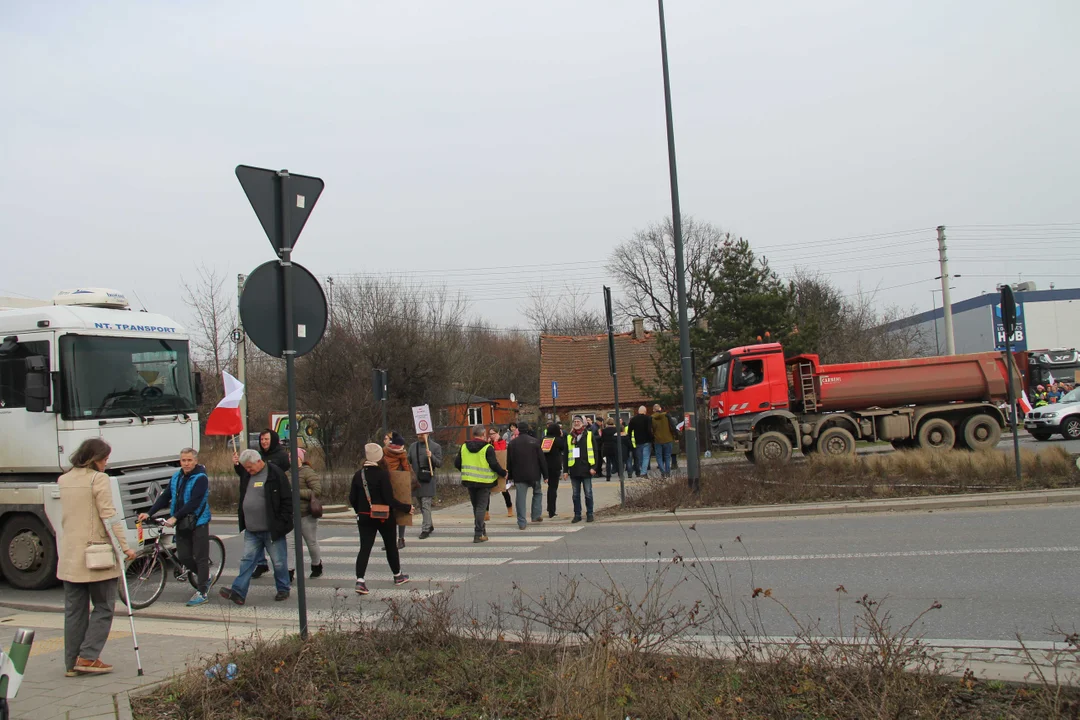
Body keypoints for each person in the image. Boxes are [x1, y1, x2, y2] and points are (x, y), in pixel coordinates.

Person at [58, 438, 136, 677]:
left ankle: (72, 662)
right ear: (95, 459)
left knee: (74, 611)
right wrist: (124, 548)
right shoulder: (98, 479)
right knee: (103, 606)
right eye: (104, 459)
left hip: (71, 555)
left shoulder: (64, 479)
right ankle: (89, 656)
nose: (106, 463)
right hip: (97, 555)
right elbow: (109, 517)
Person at [220, 449, 294, 605]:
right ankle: (238, 592)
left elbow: (287, 501)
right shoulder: (247, 475)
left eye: (249, 467)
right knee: (247, 561)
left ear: (259, 461)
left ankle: (283, 588)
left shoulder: (276, 474)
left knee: (279, 562)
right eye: (245, 468)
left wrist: (281, 523)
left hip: (272, 529)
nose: (247, 470)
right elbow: (243, 481)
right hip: (252, 530)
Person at [139, 448, 211, 606]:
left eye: (189, 460)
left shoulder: (201, 478)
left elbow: (194, 502)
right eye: (183, 460)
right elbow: (165, 497)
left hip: (198, 521)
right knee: (184, 556)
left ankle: (203, 591)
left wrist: (174, 517)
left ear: (195, 461)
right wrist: (149, 513)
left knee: (200, 557)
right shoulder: (177, 476)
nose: (186, 463)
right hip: (181, 522)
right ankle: (205, 576)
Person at [350, 443, 412, 594]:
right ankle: (397, 576)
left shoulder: (358, 475)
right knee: (390, 546)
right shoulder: (383, 475)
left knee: (365, 548)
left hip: (364, 517)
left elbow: (352, 498)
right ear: (380, 457)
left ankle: (360, 581)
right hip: (384, 517)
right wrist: (407, 507)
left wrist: (361, 511)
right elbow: (389, 500)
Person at [456, 425, 508, 543]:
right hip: (484, 482)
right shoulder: (487, 448)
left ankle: (482, 530)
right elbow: (493, 464)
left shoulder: (464, 446)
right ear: (484, 434)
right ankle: (478, 533)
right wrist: (503, 473)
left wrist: (465, 471)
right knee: (481, 507)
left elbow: (457, 463)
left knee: (476, 506)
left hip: (469, 481)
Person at [252, 429, 292, 581]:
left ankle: (284, 573)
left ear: (273, 440)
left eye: (266, 439)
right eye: (262, 439)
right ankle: (261, 563)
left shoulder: (281, 456)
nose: (264, 442)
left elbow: (285, 475)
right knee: (256, 533)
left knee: (275, 539)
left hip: (275, 498)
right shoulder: (258, 456)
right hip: (259, 498)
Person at [506, 421, 546, 529]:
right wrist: (545, 475)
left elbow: (509, 461)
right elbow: (541, 459)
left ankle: (522, 522)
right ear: (527, 430)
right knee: (537, 493)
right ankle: (536, 515)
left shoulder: (512, 443)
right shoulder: (535, 442)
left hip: (519, 475)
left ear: (518, 429)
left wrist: (509, 476)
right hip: (534, 474)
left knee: (520, 498)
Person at [563, 416, 600, 523]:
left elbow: (595, 451)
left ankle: (590, 514)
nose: (576, 423)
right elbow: (565, 455)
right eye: (574, 421)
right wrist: (565, 470)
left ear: (583, 423)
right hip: (574, 469)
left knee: (588, 493)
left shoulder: (588, 435)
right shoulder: (570, 437)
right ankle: (577, 514)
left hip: (587, 469)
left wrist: (594, 467)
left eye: (578, 421)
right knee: (575, 494)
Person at [408, 432, 443, 539]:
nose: (420, 436)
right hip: (416, 480)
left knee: (425, 504)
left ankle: (425, 529)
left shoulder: (435, 447)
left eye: (422, 434)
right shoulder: (413, 447)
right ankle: (430, 524)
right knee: (421, 505)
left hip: (428, 480)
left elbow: (439, 463)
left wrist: (431, 456)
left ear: (428, 434)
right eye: (418, 434)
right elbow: (408, 461)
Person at [296, 448, 323, 578]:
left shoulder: (308, 472)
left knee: (311, 542)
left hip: (306, 513)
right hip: (291, 514)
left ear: (301, 458)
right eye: (290, 457)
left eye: (295, 457)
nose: (292, 460)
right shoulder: (286, 473)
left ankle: (316, 565)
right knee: (289, 545)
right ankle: (289, 571)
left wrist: (297, 492)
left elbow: (316, 490)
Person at [383, 432, 413, 549]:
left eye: (386, 438)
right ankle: (400, 539)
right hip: (399, 483)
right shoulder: (402, 453)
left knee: (389, 513)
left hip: (386, 482)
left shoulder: (383, 452)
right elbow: (406, 469)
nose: (384, 440)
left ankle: (390, 540)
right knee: (401, 511)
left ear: (391, 441)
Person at [487, 427, 513, 517]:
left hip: (501, 468)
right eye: (490, 434)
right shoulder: (488, 443)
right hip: (490, 469)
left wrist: (495, 442)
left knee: (504, 490)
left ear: (497, 433)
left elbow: (500, 453)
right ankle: (486, 512)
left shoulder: (502, 441)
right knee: (487, 491)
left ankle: (510, 508)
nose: (492, 436)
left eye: (493, 433)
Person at [542, 422, 566, 518]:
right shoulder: (558, 440)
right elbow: (563, 447)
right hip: (555, 466)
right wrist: (561, 436)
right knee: (553, 489)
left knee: (549, 488)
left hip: (545, 466)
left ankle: (549, 508)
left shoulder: (544, 439)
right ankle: (552, 511)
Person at [628, 405, 653, 477]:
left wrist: (630, 441)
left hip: (638, 441)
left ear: (638, 411)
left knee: (640, 457)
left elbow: (629, 431)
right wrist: (651, 439)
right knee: (646, 457)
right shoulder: (648, 418)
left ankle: (642, 470)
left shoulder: (633, 419)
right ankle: (643, 472)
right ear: (645, 411)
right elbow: (649, 430)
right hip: (647, 441)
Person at [651, 404, 675, 478]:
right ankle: (667, 472)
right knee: (667, 456)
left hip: (658, 440)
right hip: (668, 439)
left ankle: (662, 472)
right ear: (660, 408)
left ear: (653, 410)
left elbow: (651, 430)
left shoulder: (652, 418)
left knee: (659, 457)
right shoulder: (667, 416)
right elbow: (672, 426)